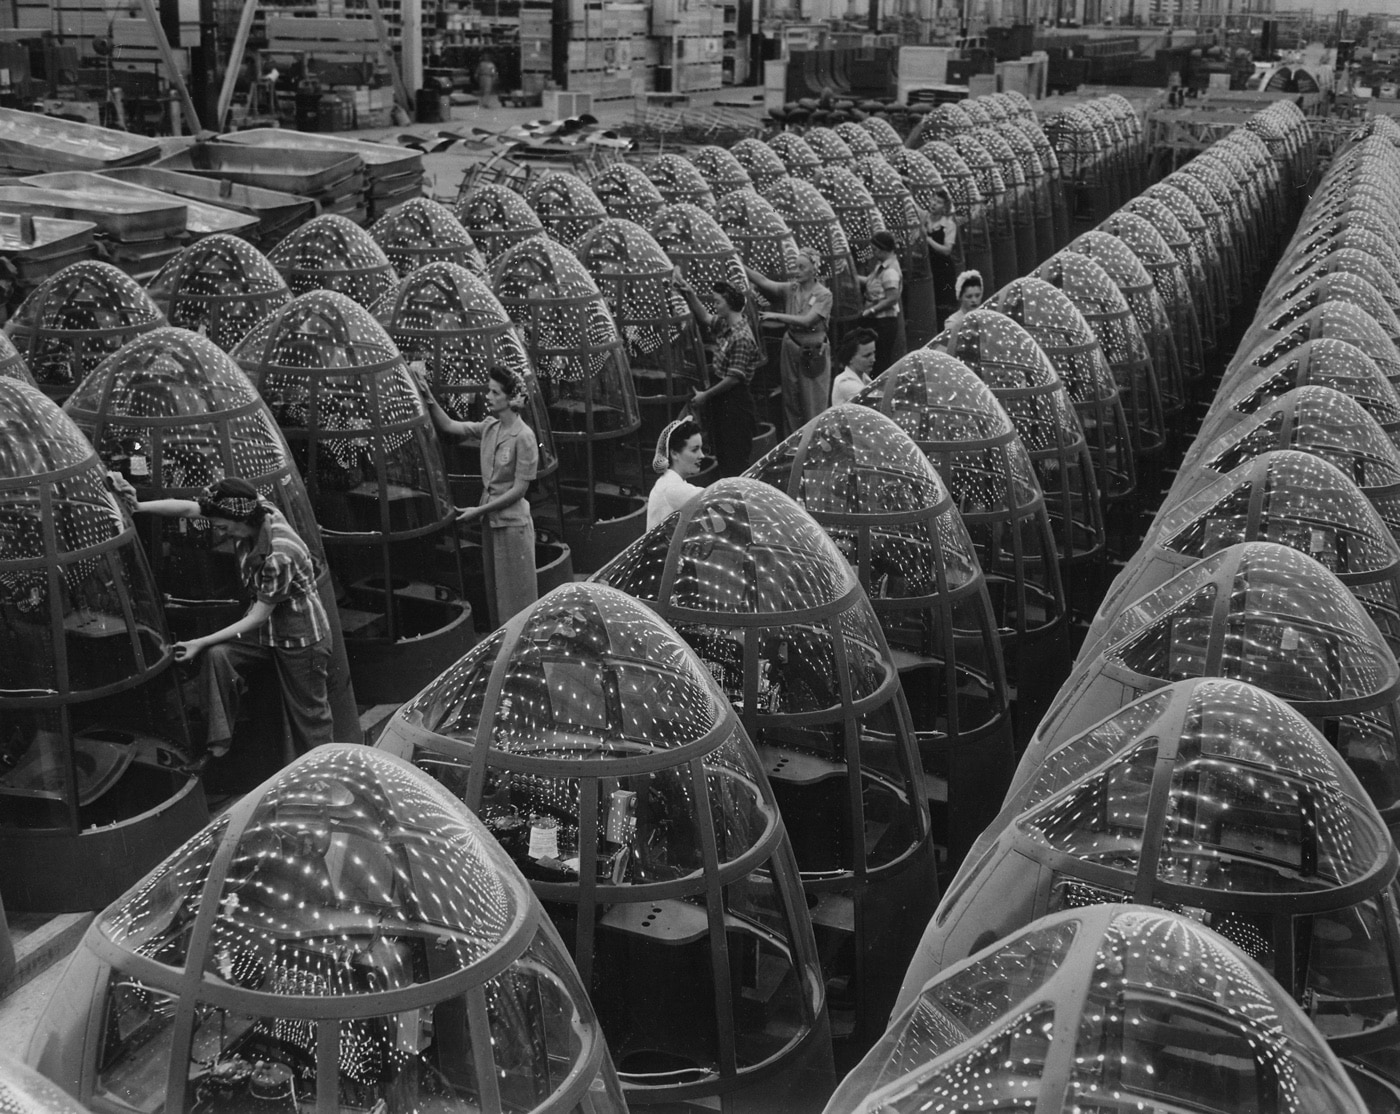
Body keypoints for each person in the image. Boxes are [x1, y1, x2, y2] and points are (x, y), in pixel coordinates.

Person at [120, 475, 334, 759]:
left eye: (222, 527)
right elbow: (186, 509)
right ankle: (219, 743)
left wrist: (198, 641)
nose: (220, 533)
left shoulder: (280, 554)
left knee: (309, 716)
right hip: (267, 631)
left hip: (301, 638)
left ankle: (325, 773)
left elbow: (257, 617)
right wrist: (138, 507)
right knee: (219, 656)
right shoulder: (254, 509)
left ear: (238, 520)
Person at [416, 364, 539, 630]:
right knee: (495, 594)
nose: (488, 396)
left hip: (512, 527)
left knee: (515, 599)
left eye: (494, 392)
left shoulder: (525, 437)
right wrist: (428, 397)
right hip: (491, 522)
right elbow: (449, 425)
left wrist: (478, 511)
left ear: (509, 398)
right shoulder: (490, 427)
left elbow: (519, 491)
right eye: (489, 391)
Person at [676, 277, 760, 477]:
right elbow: (705, 317)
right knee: (724, 455)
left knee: (734, 459)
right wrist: (689, 293)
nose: (714, 306)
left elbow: (734, 378)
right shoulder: (726, 325)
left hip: (735, 403)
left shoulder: (741, 337)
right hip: (723, 402)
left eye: (718, 302)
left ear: (730, 305)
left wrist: (706, 395)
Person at [745, 247, 833, 436]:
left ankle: (814, 442)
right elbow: (763, 282)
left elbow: (808, 320)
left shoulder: (824, 294)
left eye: (802, 268)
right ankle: (794, 444)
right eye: (796, 267)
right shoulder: (791, 289)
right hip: (791, 345)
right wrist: (739, 263)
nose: (797, 271)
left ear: (813, 270)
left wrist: (776, 316)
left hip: (812, 351)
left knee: (812, 401)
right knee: (791, 398)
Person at [860, 229, 905, 375]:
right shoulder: (883, 266)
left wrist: (872, 310)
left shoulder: (890, 270)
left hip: (883, 322)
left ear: (883, 249)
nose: (873, 253)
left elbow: (892, 298)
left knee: (880, 362)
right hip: (880, 321)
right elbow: (871, 281)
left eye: (874, 249)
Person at [647, 417, 705, 529]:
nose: (701, 455)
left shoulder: (669, 480)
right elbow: (713, 497)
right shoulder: (672, 487)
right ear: (674, 454)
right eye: (694, 450)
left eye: (701, 449)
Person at [923, 193, 961, 329]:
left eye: (938, 202)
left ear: (944, 206)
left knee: (943, 307)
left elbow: (947, 250)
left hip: (943, 270)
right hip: (928, 268)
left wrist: (928, 240)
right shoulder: (923, 219)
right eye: (933, 199)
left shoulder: (949, 224)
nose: (933, 203)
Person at [830, 328, 879, 408]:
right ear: (850, 358)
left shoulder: (864, 377)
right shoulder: (845, 382)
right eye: (867, 355)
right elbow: (876, 403)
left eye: (874, 353)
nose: (873, 359)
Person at [942, 270, 985, 342]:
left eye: (977, 295)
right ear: (960, 297)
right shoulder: (952, 322)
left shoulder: (985, 318)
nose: (974, 300)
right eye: (969, 296)